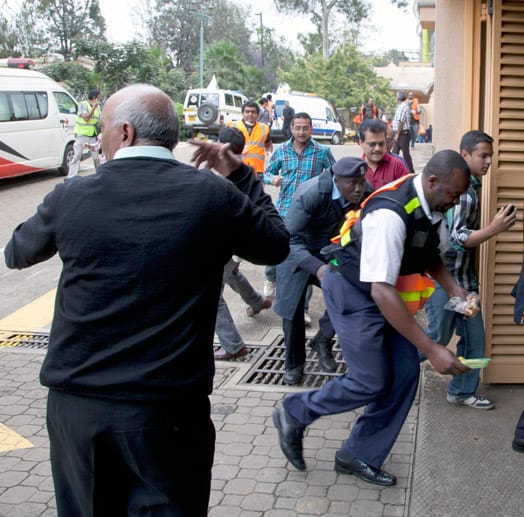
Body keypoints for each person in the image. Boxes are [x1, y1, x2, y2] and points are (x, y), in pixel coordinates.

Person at [4, 83, 289, 516]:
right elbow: (276, 245)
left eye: (101, 130)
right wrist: (240, 174)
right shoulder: (213, 196)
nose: (97, 139)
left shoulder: (73, 196)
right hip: (171, 414)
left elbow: (17, 253)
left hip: (82, 412)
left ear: (124, 132)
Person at [273, 150, 472, 486]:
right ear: (433, 181)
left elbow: (431, 256)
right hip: (353, 288)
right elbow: (381, 292)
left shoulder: (434, 206)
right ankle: (294, 411)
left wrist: (455, 290)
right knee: (370, 380)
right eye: (452, 195)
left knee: (406, 372)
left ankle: (358, 454)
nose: (454, 203)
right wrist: (433, 348)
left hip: (383, 290)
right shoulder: (390, 213)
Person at [424, 131, 516, 409]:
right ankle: (384, 373)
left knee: (474, 339)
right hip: (446, 283)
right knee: (436, 338)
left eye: (491, 156)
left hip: (465, 285)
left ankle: (462, 392)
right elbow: (456, 239)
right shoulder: (464, 194)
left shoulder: (471, 187)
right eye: (483, 155)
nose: (489, 162)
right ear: (465, 155)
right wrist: (494, 229)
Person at [275, 157, 373, 384]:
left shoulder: (365, 191)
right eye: (352, 184)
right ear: (336, 180)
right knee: (292, 310)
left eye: (361, 182)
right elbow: (288, 240)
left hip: (331, 252)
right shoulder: (310, 194)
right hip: (297, 252)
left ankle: (323, 340)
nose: (359, 189)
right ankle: (294, 363)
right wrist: (317, 268)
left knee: (349, 295)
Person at [263, 112, 336, 302]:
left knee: (304, 259)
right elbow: (267, 173)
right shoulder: (281, 151)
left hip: (309, 214)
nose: (301, 132)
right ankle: (271, 278)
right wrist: (274, 178)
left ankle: (302, 309)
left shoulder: (322, 152)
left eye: (305, 128)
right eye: (298, 128)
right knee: (274, 250)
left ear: (311, 129)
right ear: (291, 129)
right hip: (284, 211)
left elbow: (335, 175)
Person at [214, 127, 272, 361]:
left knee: (212, 297)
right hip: (236, 244)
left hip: (225, 242)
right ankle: (257, 301)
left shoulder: (228, 175)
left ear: (221, 146)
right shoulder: (246, 172)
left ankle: (233, 345)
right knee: (231, 274)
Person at [359, 119, 409, 190]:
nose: (377, 149)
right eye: (372, 144)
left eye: (381, 144)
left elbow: (408, 194)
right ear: (361, 142)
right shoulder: (356, 168)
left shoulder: (397, 166)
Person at [228, 100, 272, 179]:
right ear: (242, 113)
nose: (250, 114)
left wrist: (269, 153)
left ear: (258, 114)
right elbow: (224, 145)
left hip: (257, 170)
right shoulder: (233, 126)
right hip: (237, 168)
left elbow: (268, 144)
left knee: (256, 191)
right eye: (247, 112)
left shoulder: (264, 128)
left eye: (253, 112)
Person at [68, 88, 102, 178]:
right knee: (77, 156)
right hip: (82, 135)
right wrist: (93, 108)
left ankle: (99, 176)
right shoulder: (83, 105)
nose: (100, 98)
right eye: (99, 97)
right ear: (94, 97)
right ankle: (71, 177)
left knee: (96, 158)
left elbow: (99, 120)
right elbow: (86, 118)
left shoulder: (98, 107)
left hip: (92, 135)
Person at [391, 91, 415, 173]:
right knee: (394, 153)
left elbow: (401, 122)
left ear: (398, 98)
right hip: (400, 133)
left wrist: (397, 134)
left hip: (402, 134)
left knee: (405, 154)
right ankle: (394, 170)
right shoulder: (402, 106)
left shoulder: (403, 107)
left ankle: (411, 171)